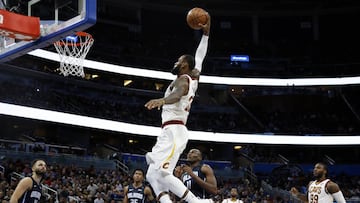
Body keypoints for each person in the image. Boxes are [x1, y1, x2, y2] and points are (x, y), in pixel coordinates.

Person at [144, 12, 212, 203]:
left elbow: (178, 93)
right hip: (169, 130)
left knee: (163, 174)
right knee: (151, 174)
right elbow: (200, 57)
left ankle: (196, 202)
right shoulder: (193, 77)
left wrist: (163, 101)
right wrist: (205, 35)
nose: (176, 62)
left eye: (179, 60)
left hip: (174, 131)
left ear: (184, 66)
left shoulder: (183, 80)